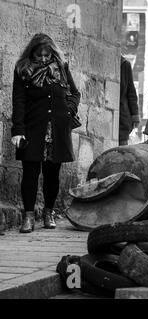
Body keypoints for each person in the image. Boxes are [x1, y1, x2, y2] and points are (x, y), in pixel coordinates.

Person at [11, 33, 80, 233]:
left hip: (57, 129)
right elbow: (19, 101)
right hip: (33, 129)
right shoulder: (23, 70)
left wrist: (69, 111)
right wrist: (18, 130)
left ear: (52, 53)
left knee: (52, 174)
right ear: (32, 53)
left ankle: (48, 213)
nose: (43, 59)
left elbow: (75, 93)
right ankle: (29, 216)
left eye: (46, 55)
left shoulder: (61, 68)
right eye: (39, 55)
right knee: (30, 173)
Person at [119, 56, 140, 146]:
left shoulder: (125, 64)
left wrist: (135, 115)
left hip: (122, 116)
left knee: (122, 149)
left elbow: (131, 92)